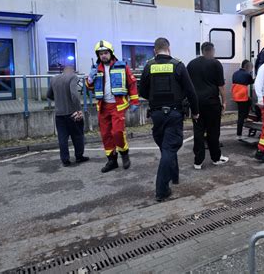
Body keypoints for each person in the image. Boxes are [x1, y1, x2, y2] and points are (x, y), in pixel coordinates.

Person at [139, 37, 199, 202]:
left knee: (166, 148)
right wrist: (195, 112)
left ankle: (174, 176)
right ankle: (162, 190)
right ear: (169, 49)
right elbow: (191, 91)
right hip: (174, 114)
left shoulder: (149, 66)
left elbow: (142, 91)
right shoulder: (178, 65)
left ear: (155, 50)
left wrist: (155, 97)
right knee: (169, 149)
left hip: (157, 115)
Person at [86, 40, 139, 173]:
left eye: (105, 53)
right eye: (101, 54)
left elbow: (132, 83)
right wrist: (90, 79)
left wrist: (134, 101)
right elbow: (89, 87)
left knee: (117, 133)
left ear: (111, 53)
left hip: (118, 106)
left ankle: (124, 155)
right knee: (105, 135)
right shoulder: (95, 68)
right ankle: (112, 160)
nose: (103, 56)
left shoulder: (122, 66)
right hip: (103, 107)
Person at [187, 42, 229, 170]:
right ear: (212, 51)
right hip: (212, 103)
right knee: (213, 131)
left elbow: (188, 86)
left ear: (202, 50)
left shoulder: (191, 64)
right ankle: (216, 158)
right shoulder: (216, 64)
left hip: (196, 104)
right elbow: (221, 86)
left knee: (198, 132)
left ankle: (198, 162)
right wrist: (224, 102)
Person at [47, 65, 89, 167]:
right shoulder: (73, 77)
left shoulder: (54, 79)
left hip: (59, 114)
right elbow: (74, 94)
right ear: (72, 71)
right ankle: (79, 156)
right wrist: (78, 109)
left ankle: (65, 160)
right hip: (72, 113)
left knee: (62, 138)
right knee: (78, 135)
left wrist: (57, 100)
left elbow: (48, 95)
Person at [231, 60, 254, 140]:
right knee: (240, 116)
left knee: (249, 101)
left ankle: (245, 117)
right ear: (246, 66)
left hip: (235, 95)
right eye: (250, 67)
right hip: (242, 96)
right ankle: (239, 134)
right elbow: (251, 82)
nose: (251, 69)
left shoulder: (235, 73)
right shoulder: (247, 74)